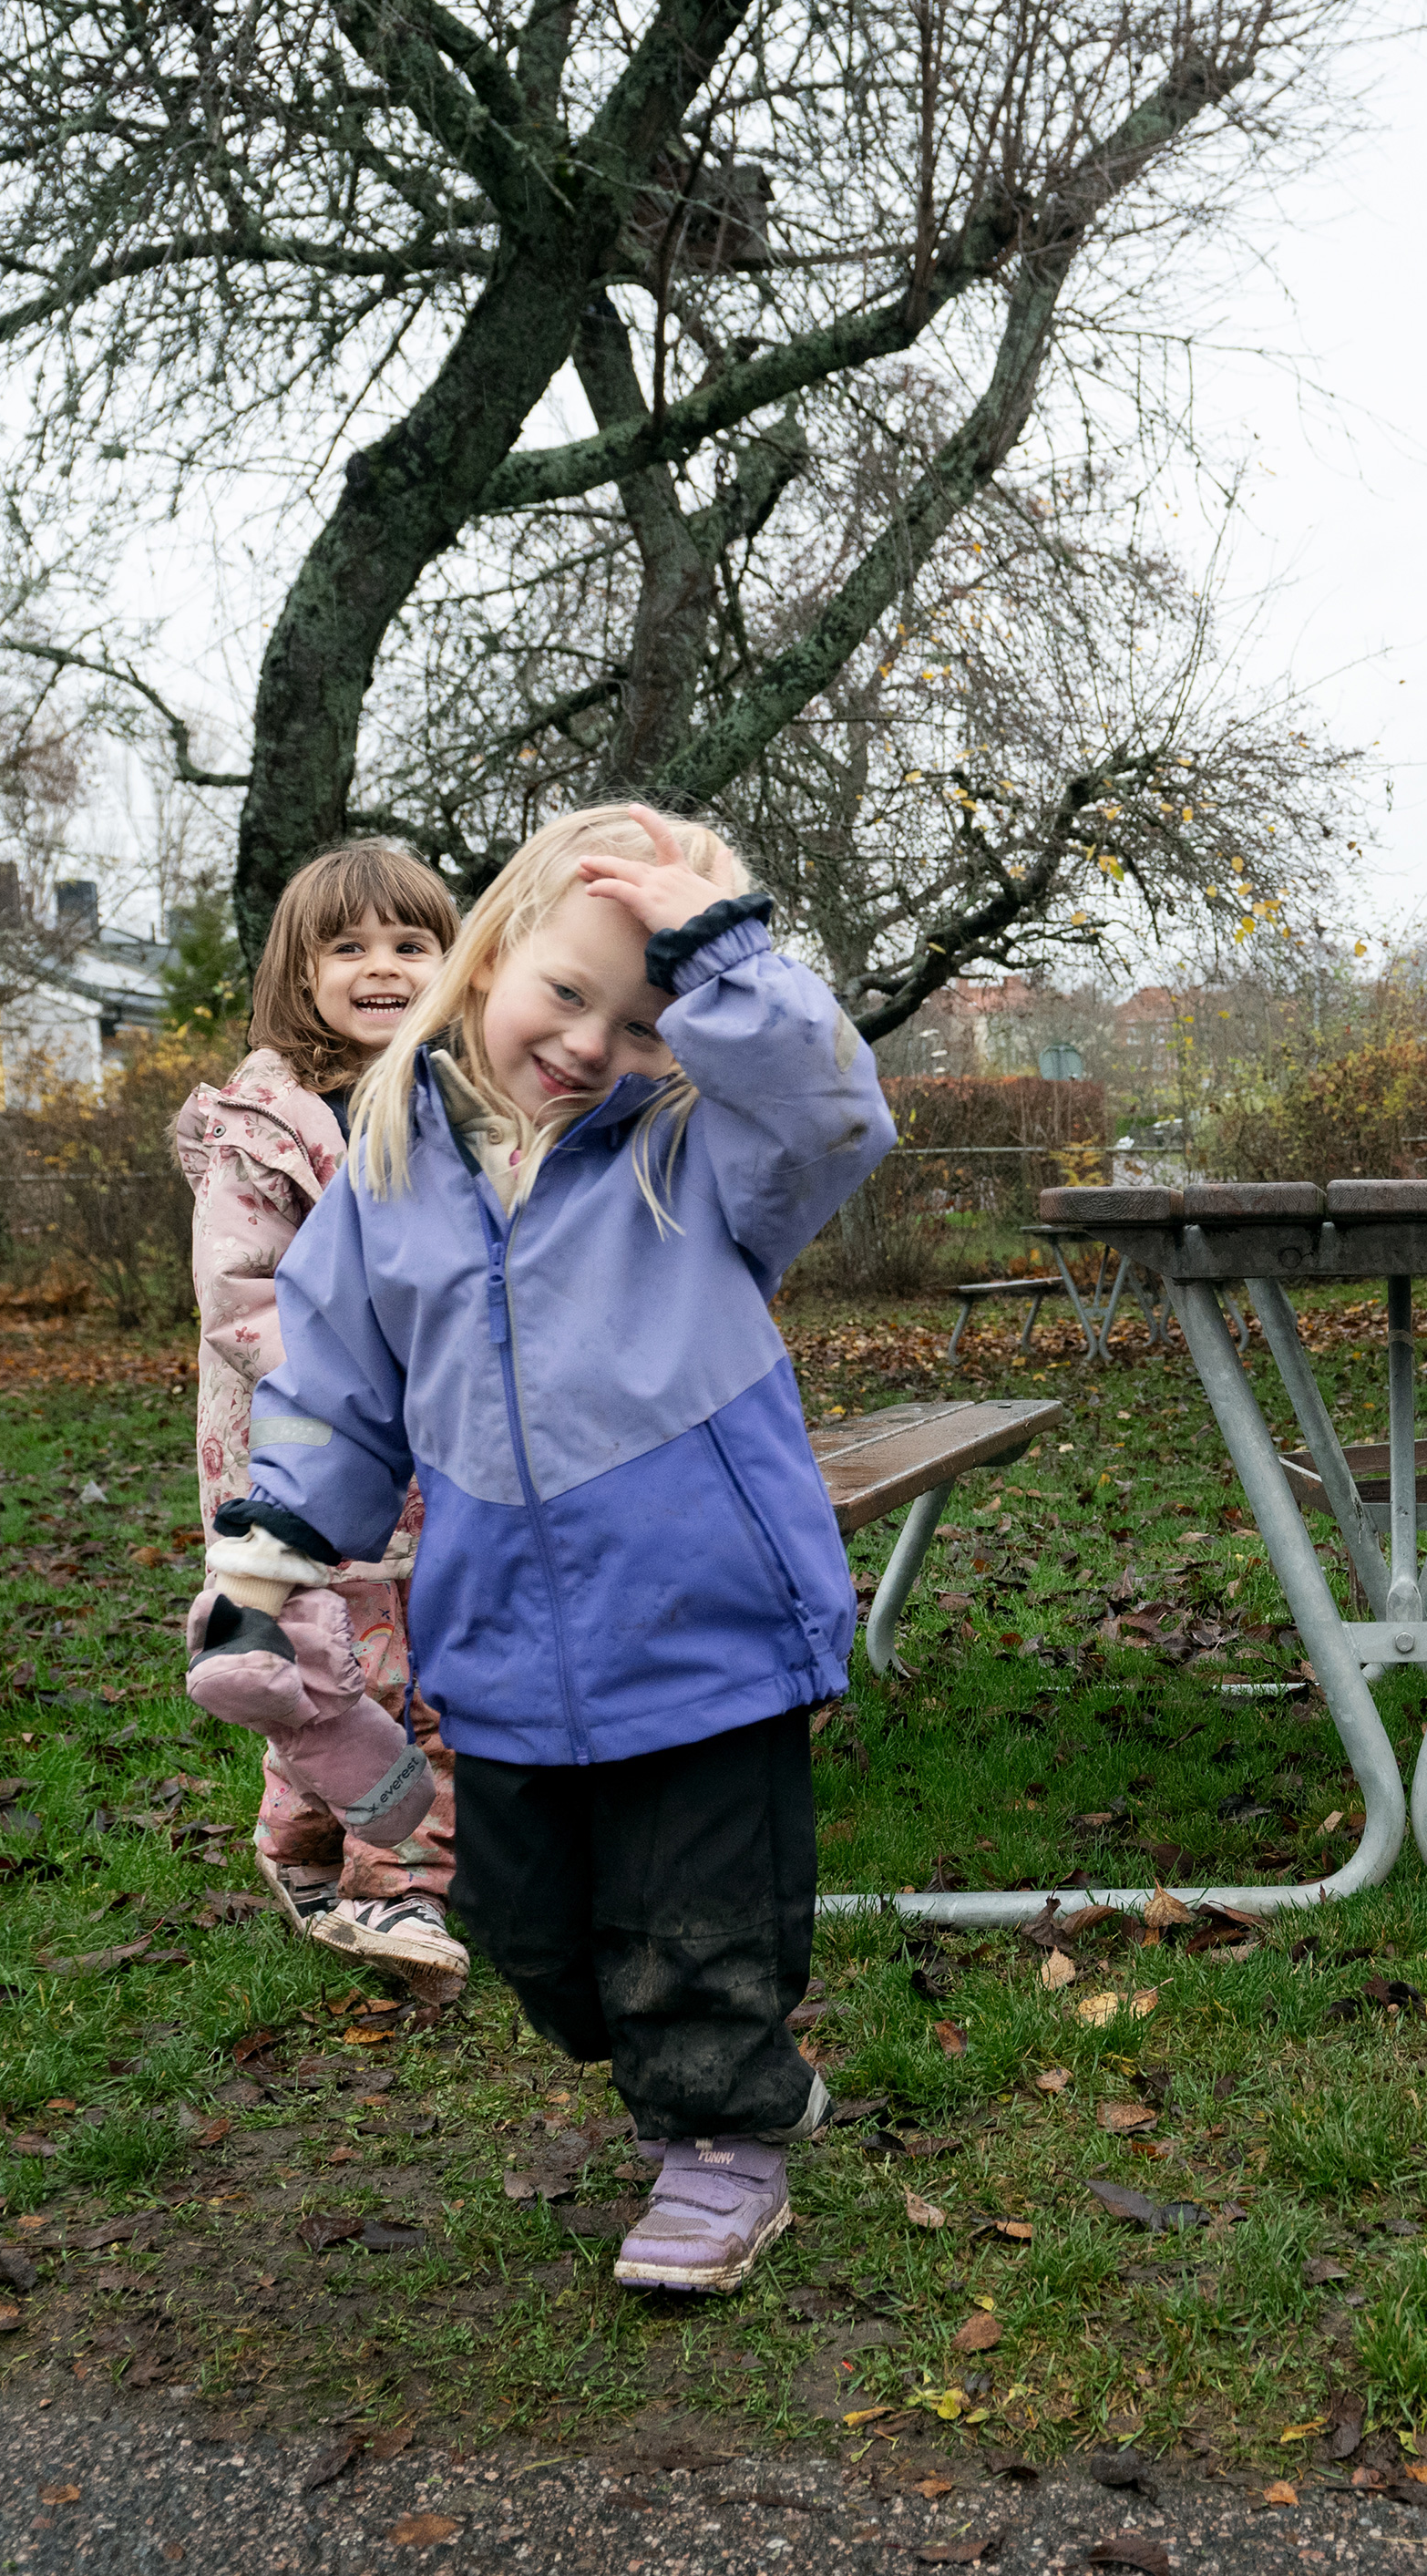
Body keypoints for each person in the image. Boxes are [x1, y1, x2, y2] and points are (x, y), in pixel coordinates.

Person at [183, 803, 893, 2294]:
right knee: (533, 1935)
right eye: (567, 993)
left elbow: (834, 1112)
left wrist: (726, 960)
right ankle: (678, 2062)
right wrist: (272, 1555)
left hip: (705, 1624)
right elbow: (333, 1381)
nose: (588, 1045)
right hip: (499, 1636)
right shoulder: (389, 1162)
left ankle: (723, 2137)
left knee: (695, 1927)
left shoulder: (702, 1156)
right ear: (493, 952)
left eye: (643, 1023)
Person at [173, 842, 470, 1982]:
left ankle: (324, 1853)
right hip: (302, 1451)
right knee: (338, 1663)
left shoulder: (462, 1099)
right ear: (300, 973)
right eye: (348, 947)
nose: (381, 967)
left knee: (425, 1661)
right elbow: (241, 1296)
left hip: (442, 1445)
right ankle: (388, 1884)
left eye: (410, 944)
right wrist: (370, 1381)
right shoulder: (264, 1129)